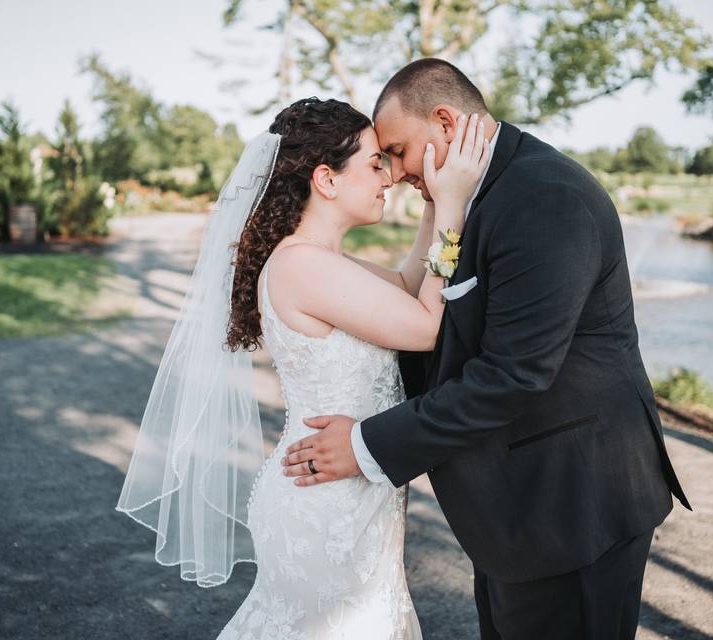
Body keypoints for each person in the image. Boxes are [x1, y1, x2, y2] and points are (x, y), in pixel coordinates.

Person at [281, 58, 692, 640]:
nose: (394, 172)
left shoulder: (544, 197)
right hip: (513, 511)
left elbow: (514, 375)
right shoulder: (470, 193)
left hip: (571, 506)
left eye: (396, 151)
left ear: (445, 122)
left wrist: (368, 444)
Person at [117, 95, 490, 638]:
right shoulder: (302, 266)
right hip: (325, 506)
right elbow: (426, 325)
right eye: (373, 163)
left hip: (349, 493)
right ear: (326, 179)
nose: (387, 175)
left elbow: (411, 288)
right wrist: (454, 210)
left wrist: (433, 204)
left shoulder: (318, 260)